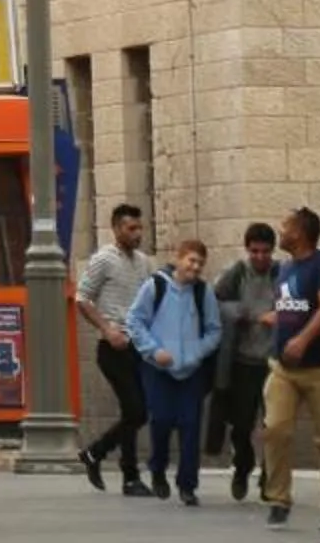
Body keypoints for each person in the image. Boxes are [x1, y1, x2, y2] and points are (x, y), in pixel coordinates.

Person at [258, 204, 320, 532]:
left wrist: (303, 340)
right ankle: (278, 500)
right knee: (275, 430)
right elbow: (291, 305)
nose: (280, 231)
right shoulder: (285, 269)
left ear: (300, 232)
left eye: (285, 226)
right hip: (283, 369)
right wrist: (276, 319)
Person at [126, 237, 223, 505]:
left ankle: (187, 485)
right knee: (162, 420)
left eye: (200, 263)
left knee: (191, 426)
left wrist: (196, 353)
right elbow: (135, 321)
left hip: (191, 370)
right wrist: (154, 350)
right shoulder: (155, 286)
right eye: (191, 260)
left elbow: (215, 331)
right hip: (158, 368)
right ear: (178, 258)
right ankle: (157, 468)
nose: (195, 267)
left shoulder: (204, 293)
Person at [75, 202, 155, 497]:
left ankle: (119, 469)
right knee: (136, 410)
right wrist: (107, 329)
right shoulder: (103, 259)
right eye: (131, 228)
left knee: (134, 412)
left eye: (139, 228)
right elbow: (82, 298)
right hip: (112, 348)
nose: (137, 234)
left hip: (138, 346)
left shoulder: (144, 262)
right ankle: (104, 458)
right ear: (117, 229)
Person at [210, 221, 282, 502]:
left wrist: (281, 315)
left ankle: (269, 477)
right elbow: (215, 302)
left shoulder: (282, 274)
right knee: (241, 424)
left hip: (274, 362)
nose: (260, 258)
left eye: (265, 252)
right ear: (247, 250)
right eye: (255, 252)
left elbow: (300, 304)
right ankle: (243, 465)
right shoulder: (237, 274)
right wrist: (249, 314)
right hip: (242, 360)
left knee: (273, 423)